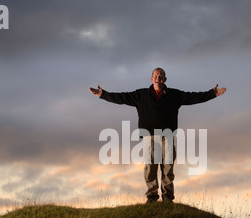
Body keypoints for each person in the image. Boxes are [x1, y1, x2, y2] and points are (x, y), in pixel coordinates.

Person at [90, 67, 226, 203]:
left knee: (168, 167)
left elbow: (193, 97)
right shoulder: (141, 95)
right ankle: (152, 196)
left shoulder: (174, 95)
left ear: (165, 79)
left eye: (161, 76)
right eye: (155, 76)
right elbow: (121, 97)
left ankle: (167, 197)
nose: (158, 78)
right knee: (150, 168)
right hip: (149, 137)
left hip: (167, 136)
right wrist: (103, 94)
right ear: (151, 78)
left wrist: (212, 93)